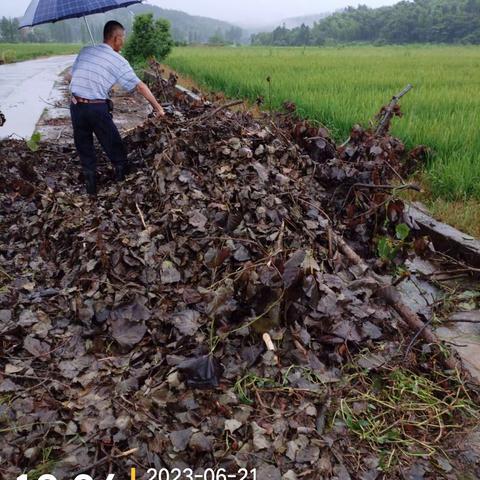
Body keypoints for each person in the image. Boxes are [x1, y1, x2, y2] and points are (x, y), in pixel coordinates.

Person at [70, 20, 164, 196]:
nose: (124, 42)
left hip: (76, 106)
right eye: (123, 38)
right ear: (116, 38)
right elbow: (140, 86)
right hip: (96, 109)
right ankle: (123, 188)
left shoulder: (86, 51)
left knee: (85, 150)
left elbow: (73, 76)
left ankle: (91, 193)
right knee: (115, 147)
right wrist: (159, 109)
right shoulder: (117, 60)